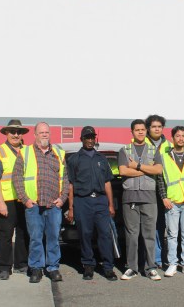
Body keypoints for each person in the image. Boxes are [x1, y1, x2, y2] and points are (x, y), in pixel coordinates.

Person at [13, 122, 68, 283]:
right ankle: (36, 268)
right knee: (36, 238)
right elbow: (17, 178)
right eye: (41, 132)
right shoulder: (25, 153)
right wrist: (25, 200)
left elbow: (65, 178)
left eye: (47, 132)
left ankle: (53, 268)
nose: (44, 134)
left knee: (53, 238)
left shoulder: (58, 153)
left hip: (53, 205)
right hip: (34, 205)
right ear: (35, 135)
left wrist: (62, 198)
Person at [67, 126, 118, 281]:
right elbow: (71, 185)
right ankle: (88, 266)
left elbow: (108, 183)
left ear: (95, 139)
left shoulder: (101, 159)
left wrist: (110, 204)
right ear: (81, 139)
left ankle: (108, 267)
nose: (90, 140)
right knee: (85, 234)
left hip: (101, 201)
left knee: (105, 234)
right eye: (87, 137)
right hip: (82, 201)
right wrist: (71, 208)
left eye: (92, 138)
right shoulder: (74, 159)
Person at [118, 119, 164, 281]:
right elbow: (123, 171)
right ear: (132, 132)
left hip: (149, 198)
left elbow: (158, 169)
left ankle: (151, 267)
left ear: (146, 131)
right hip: (130, 197)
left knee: (149, 234)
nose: (140, 132)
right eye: (137, 130)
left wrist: (137, 166)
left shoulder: (153, 149)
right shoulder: (125, 150)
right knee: (131, 235)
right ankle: (132, 267)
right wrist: (146, 170)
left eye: (143, 129)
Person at [0, 119, 30, 280]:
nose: (16, 134)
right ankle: (4, 267)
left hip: (23, 200)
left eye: (19, 132)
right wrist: (0, 202)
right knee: (6, 235)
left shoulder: (28, 151)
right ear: (6, 133)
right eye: (12, 131)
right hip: (6, 200)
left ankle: (21, 263)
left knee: (23, 233)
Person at [158, 126, 184, 277]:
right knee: (172, 235)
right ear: (172, 138)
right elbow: (161, 178)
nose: (181, 138)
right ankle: (172, 264)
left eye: (183, 136)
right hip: (172, 200)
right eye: (177, 136)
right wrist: (164, 197)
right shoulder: (165, 154)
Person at [145, 114, 171, 269]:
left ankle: (164, 256)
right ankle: (155, 258)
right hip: (149, 190)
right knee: (151, 226)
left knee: (164, 226)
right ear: (148, 128)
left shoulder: (169, 145)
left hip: (167, 191)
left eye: (159, 126)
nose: (157, 129)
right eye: (154, 126)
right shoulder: (141, 143)